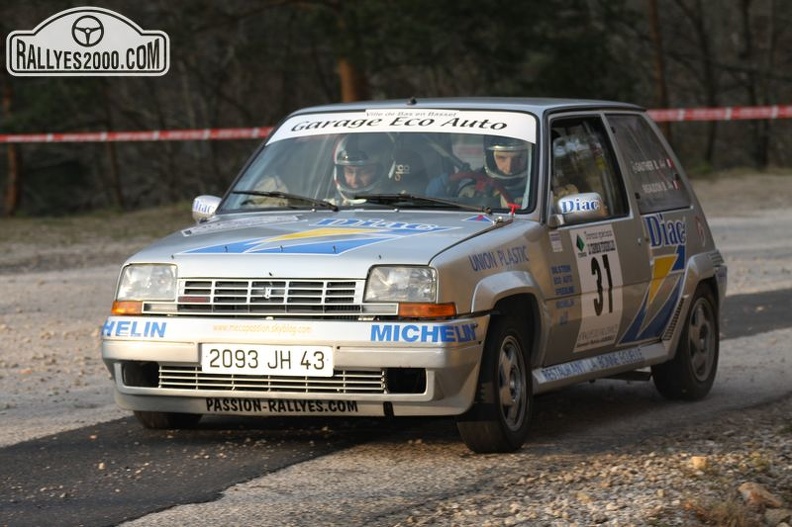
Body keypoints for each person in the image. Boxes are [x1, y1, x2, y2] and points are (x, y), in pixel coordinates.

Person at [426, 135, 530, 208]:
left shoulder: (537, 187)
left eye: (518, 158)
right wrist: (442, 183)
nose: (509, 167)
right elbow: (431, 204)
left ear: (529, 157)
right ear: (490, 157)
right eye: (501, 158)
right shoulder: (466, 182)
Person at [333, 134, 391, 204]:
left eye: (364, 172)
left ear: (381, 172)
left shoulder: (403, 203)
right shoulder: (328, 207)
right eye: (349, 171)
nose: (355, 181)